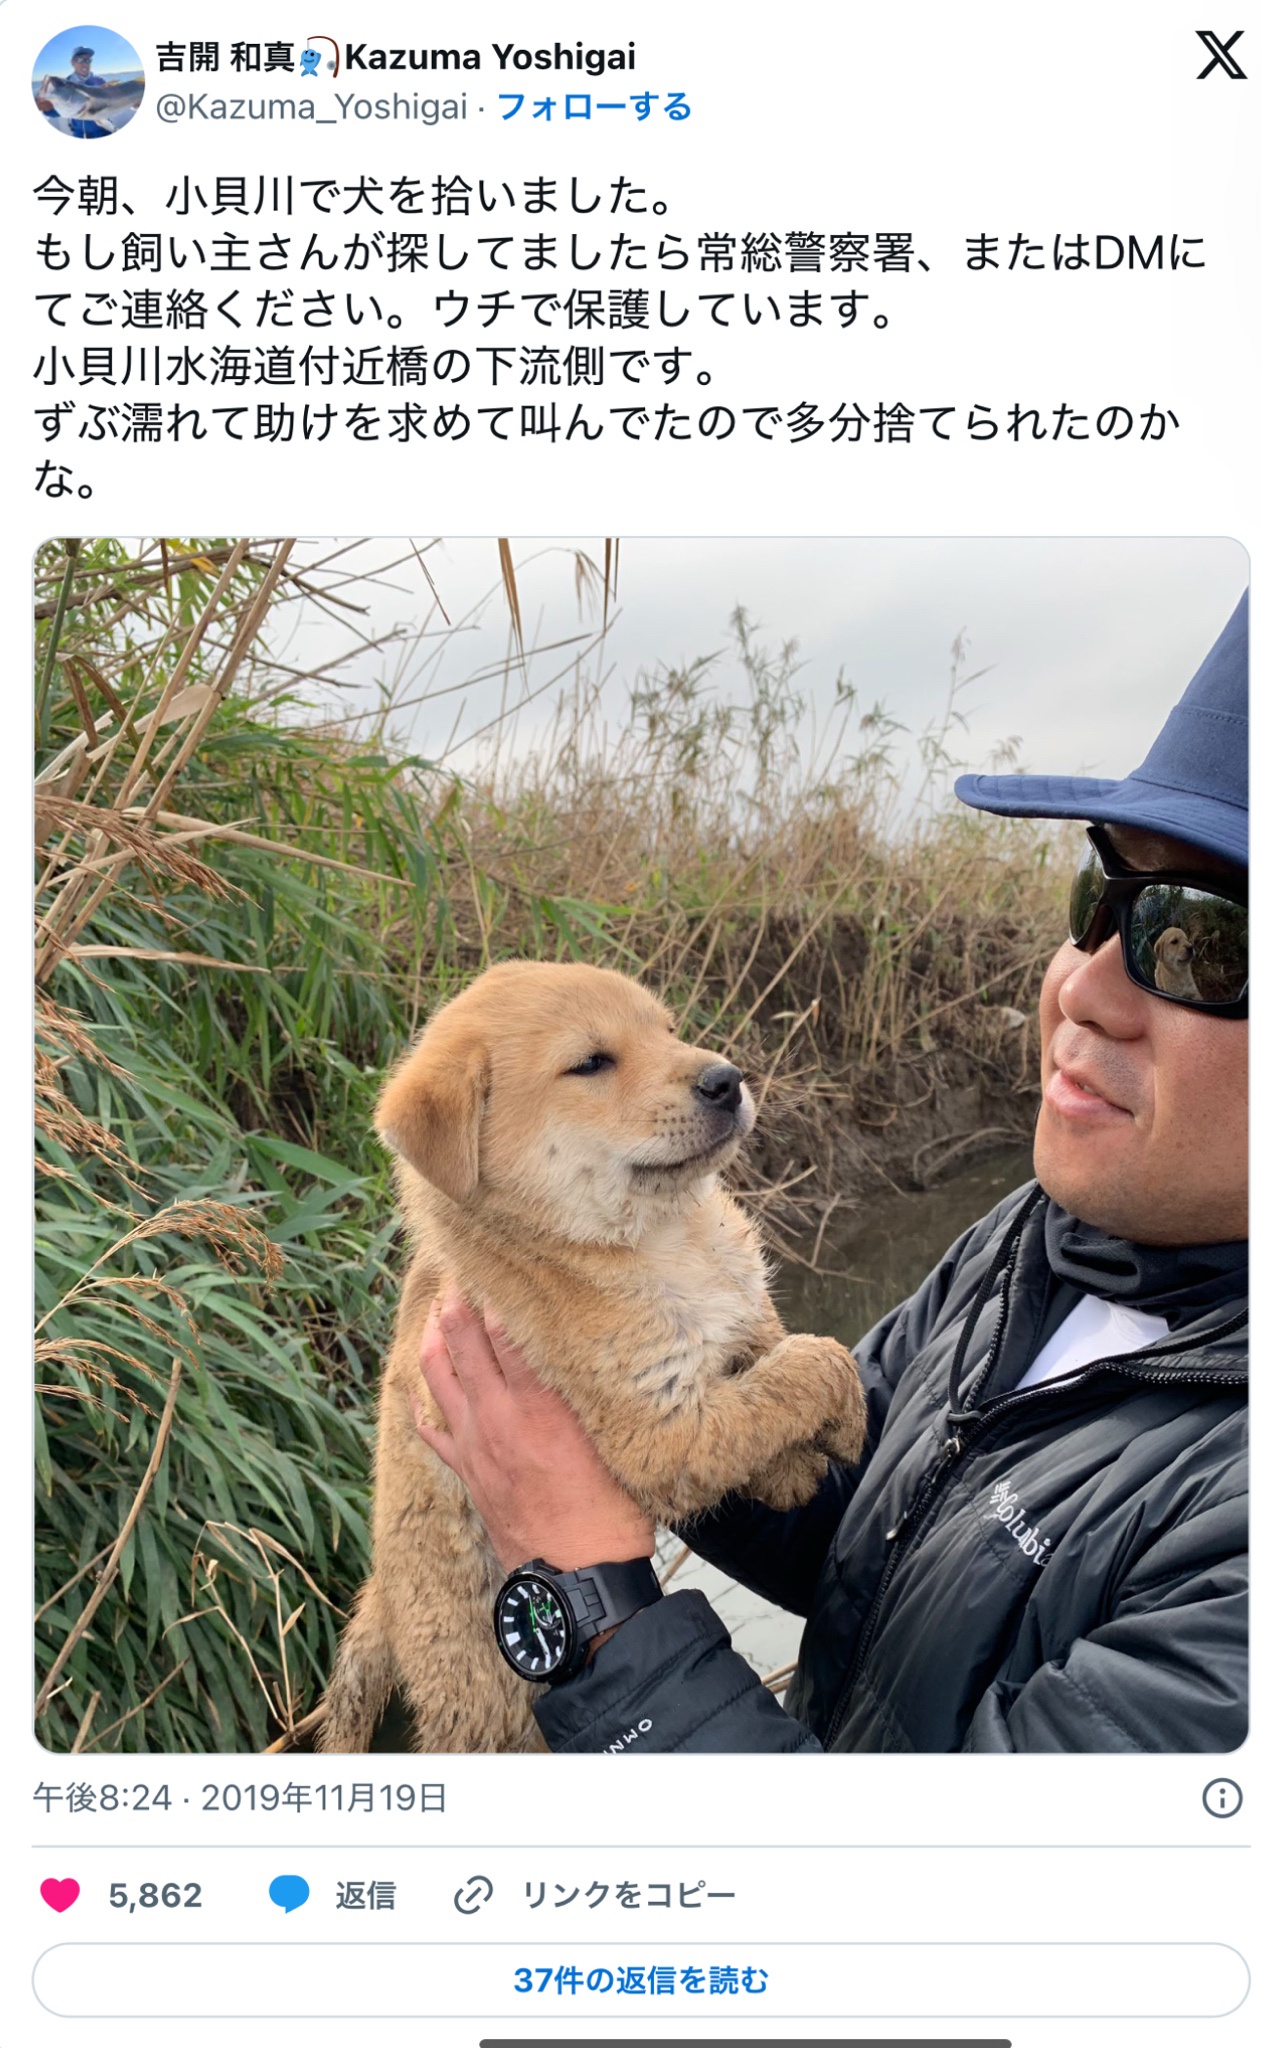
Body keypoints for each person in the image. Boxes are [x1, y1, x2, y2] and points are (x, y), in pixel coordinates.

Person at [414, 591, 1248, 1753]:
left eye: (1202, 943)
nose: (1082, 986)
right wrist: (615, 1398)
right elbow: (844, 1528)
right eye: (1096, 899)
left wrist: (595, 1601)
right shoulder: (1039, 1240)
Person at [36, 45, 110, 139]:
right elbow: (61, 110)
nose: (85, 63)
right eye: (80, 60)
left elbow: (113, 102)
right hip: (78, 132)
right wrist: (47, 109)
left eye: (88, 60)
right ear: (72, 62)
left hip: (102, 128)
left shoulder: (100, 82)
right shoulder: (64, 84)